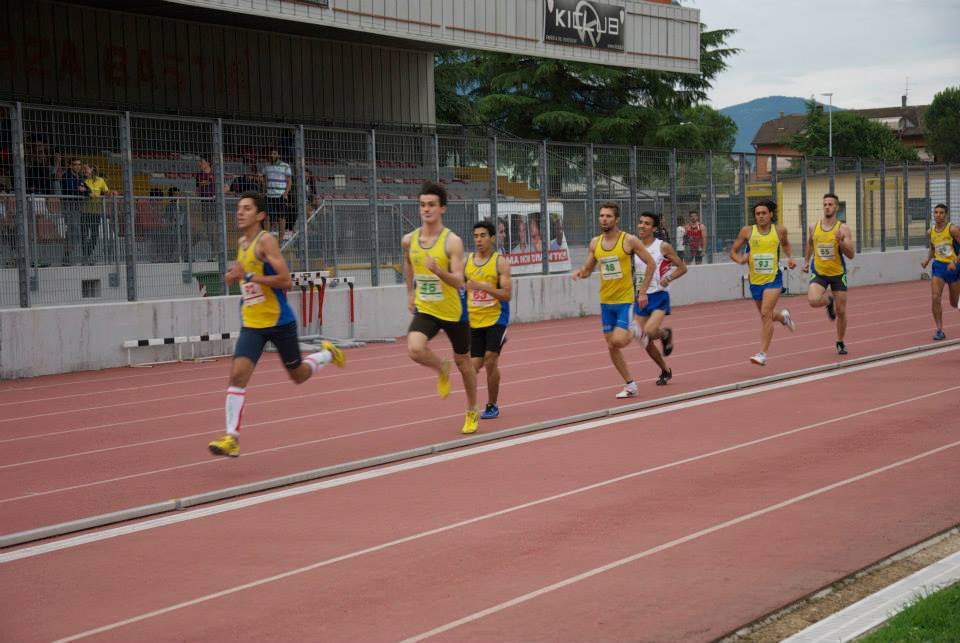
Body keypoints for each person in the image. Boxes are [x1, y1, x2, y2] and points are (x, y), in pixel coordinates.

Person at [208, 192, 345, 458]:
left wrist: (248, 275)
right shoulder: (242, 242)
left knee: (298, 375)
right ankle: (231, 438)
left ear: (260, 215)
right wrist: (232, 277)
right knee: (237, 375)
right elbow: (246, 277)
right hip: (252, 321)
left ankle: (328, 353)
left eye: (246, 208)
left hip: (279, 321)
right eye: (238, 208)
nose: (240, 212)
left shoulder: (265, 241)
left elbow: (285, 280)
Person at [403, 181, 479, 434]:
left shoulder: (452, 242)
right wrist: (410, 292)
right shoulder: (409, 240)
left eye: (432, 205)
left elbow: (459, 281)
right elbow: (408, 265)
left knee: (464, 363)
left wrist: (437, 270)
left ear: (443, 209)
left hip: (454, 311)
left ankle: (471, 410)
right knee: (415, 348)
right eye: (422, 205)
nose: (426, 210)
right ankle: (441, 367)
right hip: (427, 308)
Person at [572, 201, 656, 398]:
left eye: (608, 216)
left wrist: (643, 291)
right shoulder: (595, 243)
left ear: (616, 219)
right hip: (605, 302)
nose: (604, 219)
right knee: (611, 345)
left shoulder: (629, 241)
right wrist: (580, 273)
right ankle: (631, 384)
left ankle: (635, 328)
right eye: (601, 215)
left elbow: (651, 263)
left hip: (625, 300)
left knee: (618, 341)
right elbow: (588, 268)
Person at [729, 200, 797, 366]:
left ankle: (762, 354)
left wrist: (791, 257)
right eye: (757, 214)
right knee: (766, 314)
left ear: (771, 214)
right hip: (755, 282)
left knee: (766, 314)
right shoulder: (747, 231)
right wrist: (741, 260)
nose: (760, 216)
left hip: (773, 279)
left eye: (764, 213)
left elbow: (786, 245)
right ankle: (782, 316)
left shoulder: (779, 230)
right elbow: (733, 252)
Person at [632, 212, 687, 385]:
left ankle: (664, 334)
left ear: (654, 228)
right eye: (640, 222)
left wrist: (668, 278)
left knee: (649, 331)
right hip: (641, 297)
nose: (642, 226)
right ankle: (664, 369)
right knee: (642, 338)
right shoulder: (633, 246)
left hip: (658, 296)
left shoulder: (662, 246)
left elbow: (682, 267)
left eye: (647, 223)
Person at [465, 221, 512, 419]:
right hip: (474, 321)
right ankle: (472, 407)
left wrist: (482, 287)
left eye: (483, 235)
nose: (479, 240)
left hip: (496, 319)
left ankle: (492, 405)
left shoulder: (499, 262)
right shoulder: (467, 262)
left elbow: (507, 294)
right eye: (476, 236)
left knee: (491, 360)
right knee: (473, 368)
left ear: (492, 238)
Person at [802, 193, 855, 354]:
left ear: (837, 207)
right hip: (819, 271)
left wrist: (840, 241)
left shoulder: (842, 228)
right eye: (825, 204)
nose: (827, 207)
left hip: (838, 273)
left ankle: (840, 341)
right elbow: (810, 243)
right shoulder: (814, 227)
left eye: (830, 204)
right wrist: (806, 261)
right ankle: (828, 301)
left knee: (841, 311)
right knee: (812, 300)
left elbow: (851, 254)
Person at [920, 203, 960, 340]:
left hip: (954, 268)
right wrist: (927, 260)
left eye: (941, 212)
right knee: (935, 297)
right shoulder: (930, 232)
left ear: (946, 214)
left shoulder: (952, 229)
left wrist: (954, 262)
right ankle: (939, 329)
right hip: (939, 267)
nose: (938, 215)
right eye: (936, 212)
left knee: (954, 303)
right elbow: (933, 248)